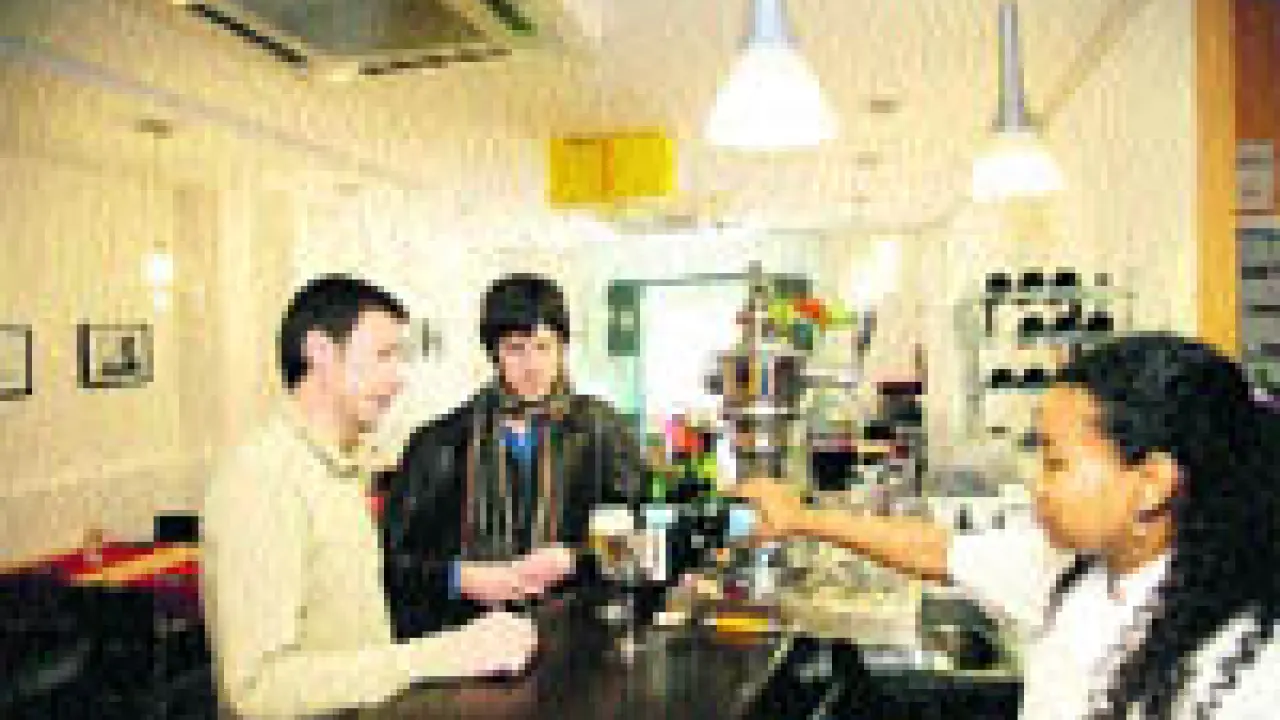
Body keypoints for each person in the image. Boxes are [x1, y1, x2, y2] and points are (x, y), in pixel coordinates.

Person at [734, 333, 1280, 719]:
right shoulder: (1079, 571)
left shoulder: (1243, 667)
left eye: (1056, 462)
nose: (1038, 484)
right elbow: (936, 550)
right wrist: (800, 518)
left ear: (1152, 484)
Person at [201, 275, 536, 718]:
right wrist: (445, 654)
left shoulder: (343, 469)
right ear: (320, 352)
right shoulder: (263, 480)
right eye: (383, 355)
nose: (397, 379)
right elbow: (258, 691)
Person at [383, 273, 644, 638]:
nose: (532, 365)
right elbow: (393, 563)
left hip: (579, 634)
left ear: (563, 347)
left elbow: (644, 536)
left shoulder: (601, 431)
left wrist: (575, 558)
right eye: (516, 349)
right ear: (494, 353)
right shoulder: (441, 441)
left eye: (543, 347)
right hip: (468, 638)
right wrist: (462, 578)